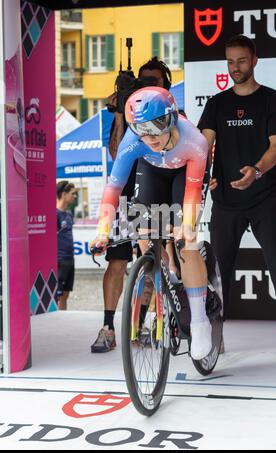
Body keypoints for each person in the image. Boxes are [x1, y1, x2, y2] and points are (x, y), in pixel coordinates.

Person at [198, 34, 276, 361]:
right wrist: (204, 175)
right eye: (230, 62)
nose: (235, 68)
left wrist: (256, 170)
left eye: (241, 60)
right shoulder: (217, 103)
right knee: (217, 273)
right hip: (226, 200)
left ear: (254, 60)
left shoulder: (272, 99)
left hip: (264, 196)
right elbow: (203, 146)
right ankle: (215, 336)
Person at [90, 86, 211, 360]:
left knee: (187, 241)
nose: (150, 136)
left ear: (172, 119)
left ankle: (200, 320)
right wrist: (102, 232)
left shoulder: (195, 142)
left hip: (185, 170)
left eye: (157, 126)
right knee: (143, 229)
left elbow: (191, 194)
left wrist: (185, 226)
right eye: (141, 129)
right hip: (154, 170)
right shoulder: (134, 141)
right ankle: (163, 271)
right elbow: (113, 188)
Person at [90, 57, 174, 353]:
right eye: (144, 81)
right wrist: (119, 111)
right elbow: (116, 152)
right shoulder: (129, 111)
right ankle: (108, 326)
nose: (149, 86)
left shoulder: (172, 113)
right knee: (117, 258)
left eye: (155, 81)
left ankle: (140, 326)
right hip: (124, 193)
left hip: (153, 194)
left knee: (151, 259)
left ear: (166, 85)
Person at [56, 180, 77, 310]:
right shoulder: (54, 214)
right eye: (73, 193)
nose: (75, 197)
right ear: (64, 194)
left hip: (70, 258)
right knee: (57, 295)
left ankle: (62, 318)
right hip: (59, 259)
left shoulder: (69, 214)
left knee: (66, 295)